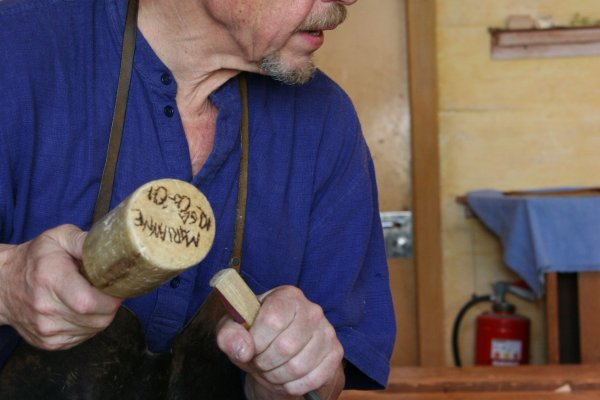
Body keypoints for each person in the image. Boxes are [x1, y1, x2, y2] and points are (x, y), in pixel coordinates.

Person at [0, 0, 396, 398]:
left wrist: (295, 373)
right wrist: (7, 286)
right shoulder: (15, 49)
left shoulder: (325, 120)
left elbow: (327, 381)